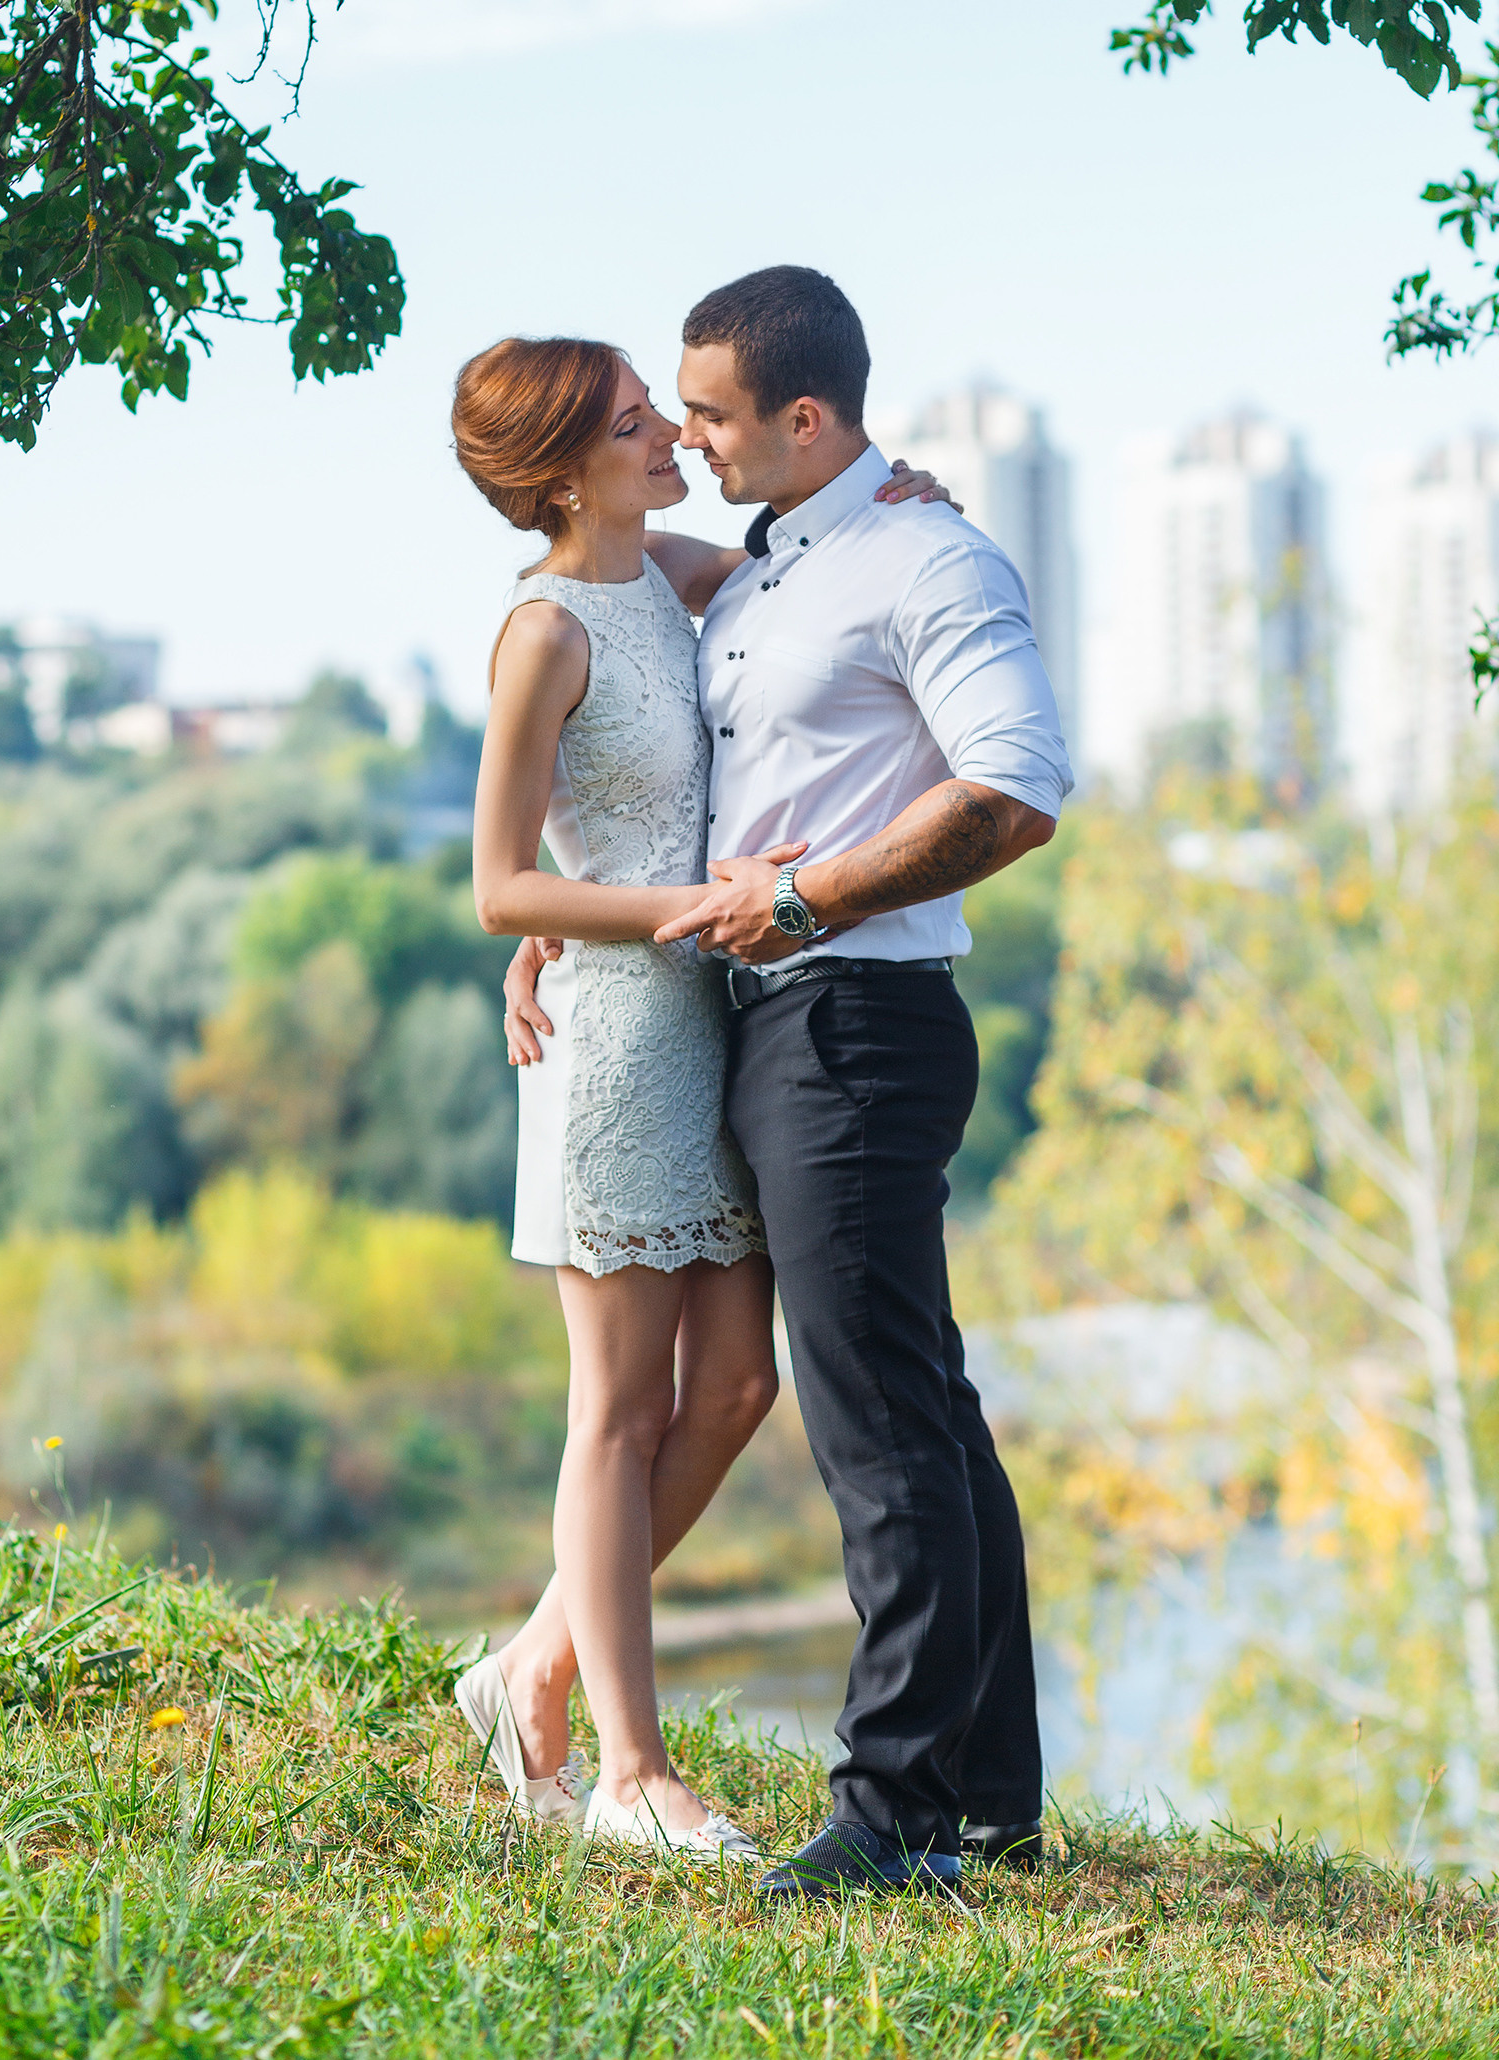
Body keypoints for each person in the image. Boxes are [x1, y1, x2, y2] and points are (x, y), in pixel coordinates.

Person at [505, 266, 1072, 1906]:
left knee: (878, 1427)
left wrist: (810, 899)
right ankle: (988, 1802)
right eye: (665, 415)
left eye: (708, 414)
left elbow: (1018, 787)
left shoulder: (926, 557)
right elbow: (633, 733)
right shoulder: (759, 565)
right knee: (927, 1411)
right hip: (754, 1022)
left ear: (804, 418)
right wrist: (558, 922)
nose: (687, 437)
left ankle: (895, 1816)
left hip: (859, 1025)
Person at [450, 333, 950, 1863]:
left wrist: (897, 499)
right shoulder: (542, 632)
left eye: (660, 412)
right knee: (619, 1412)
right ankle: (627, 1772)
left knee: (735, 1387)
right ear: (559, 473)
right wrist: (679, 909)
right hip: (614, 1045)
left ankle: (526, 1669)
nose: (668, 432)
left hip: (718, 1025)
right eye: (630, 423)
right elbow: (501, 884)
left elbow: (803, 576)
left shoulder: (669, 575)